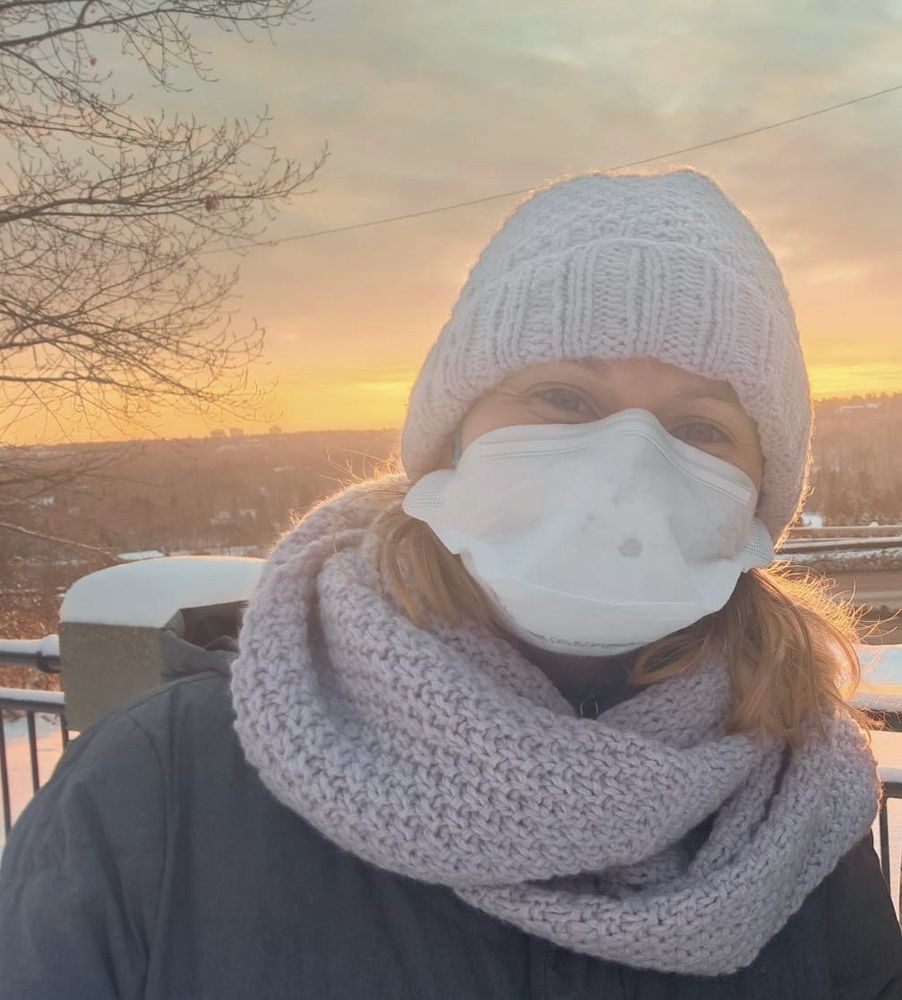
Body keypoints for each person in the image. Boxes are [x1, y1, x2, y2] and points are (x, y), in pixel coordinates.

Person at [2, 167, 901, 999]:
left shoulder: (801, 800)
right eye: (565, 399)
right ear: (452, 442)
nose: (626, 465)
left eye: (700, 427)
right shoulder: (160, 791)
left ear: (757, 499)